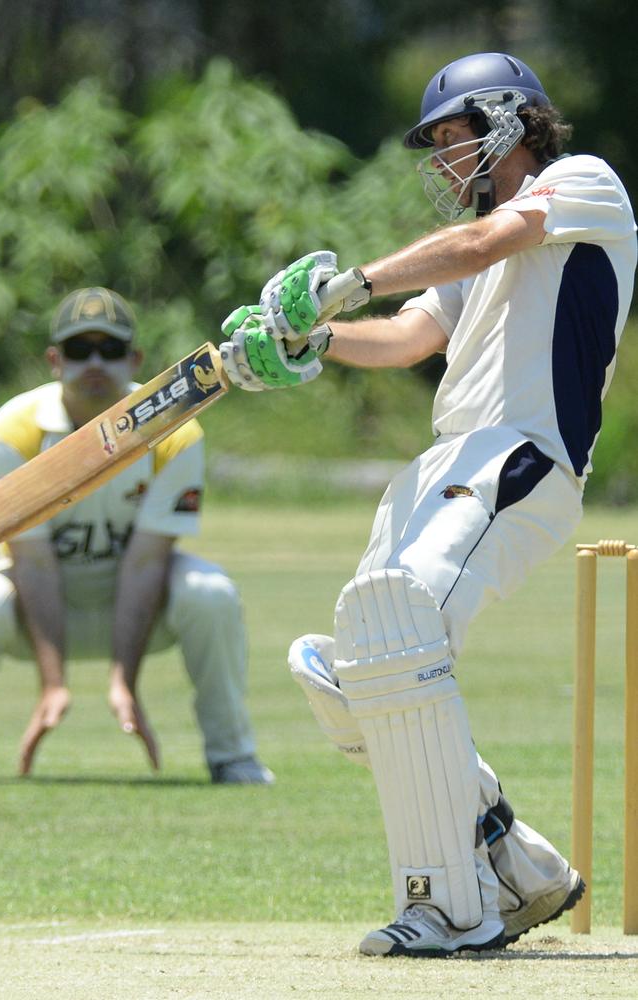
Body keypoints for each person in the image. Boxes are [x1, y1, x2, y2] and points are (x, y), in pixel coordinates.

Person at [218, 52, 637, 954]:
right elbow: (413, 336)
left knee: (397, 635)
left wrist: (350, 279)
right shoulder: (477, 242)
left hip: (520, 457)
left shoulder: (581, 184)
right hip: (441, 466)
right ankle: (514, 859)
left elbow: (489, 242)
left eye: (455, 138)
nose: (445, 160)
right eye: (436, 145)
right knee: (345, 664)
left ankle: (452, 911)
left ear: (512, 123)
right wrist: (316, 341)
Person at [0, 286, 274, 785]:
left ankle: (233, 758)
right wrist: (52, 685)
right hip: (38, 612)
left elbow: (147, 563)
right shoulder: (10, 432)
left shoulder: (174, 428)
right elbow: (32, 564)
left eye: (110, 349)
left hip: (137, 605)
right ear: (55, 359)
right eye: (80, 350)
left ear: (135, 358)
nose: (95, 362)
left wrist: (125, 682)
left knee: (211, 594)